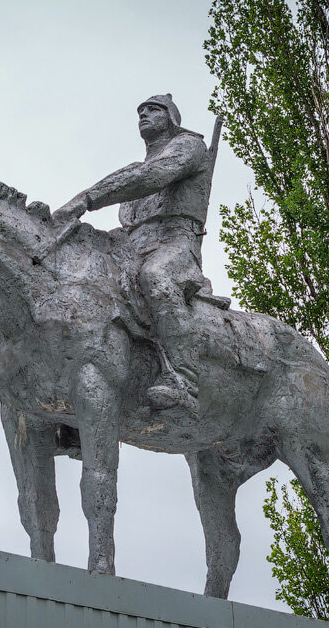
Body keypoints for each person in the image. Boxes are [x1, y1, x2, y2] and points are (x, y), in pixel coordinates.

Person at [53, 94, 215, 413]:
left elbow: (151, 178)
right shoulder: (137, 168)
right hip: (132, 246)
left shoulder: (188, 147)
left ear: (171, 117)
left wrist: (86, 199)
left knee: (154, 277)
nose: (143, 114)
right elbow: (132, 203)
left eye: (152, 109)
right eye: (140, 111)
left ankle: (185, 379)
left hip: (175, 241)